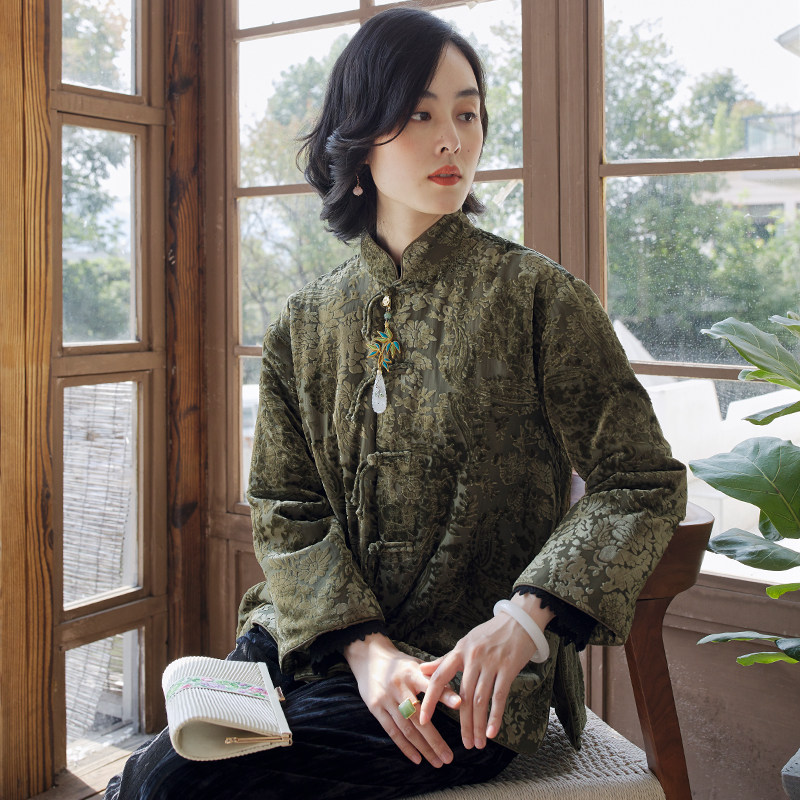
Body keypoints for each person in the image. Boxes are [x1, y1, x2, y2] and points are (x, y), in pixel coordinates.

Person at [107, 7, 686, 799]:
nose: (452, 139)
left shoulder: (539, 300)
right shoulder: (305, 323)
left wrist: (525, 619)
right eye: (419, 114)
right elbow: (285, 504)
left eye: (466, 113)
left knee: (179, 784)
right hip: (309, 640)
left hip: (457, 678)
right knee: (157, 767)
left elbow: (640, 479)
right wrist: (363, 647)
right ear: (360, 137)